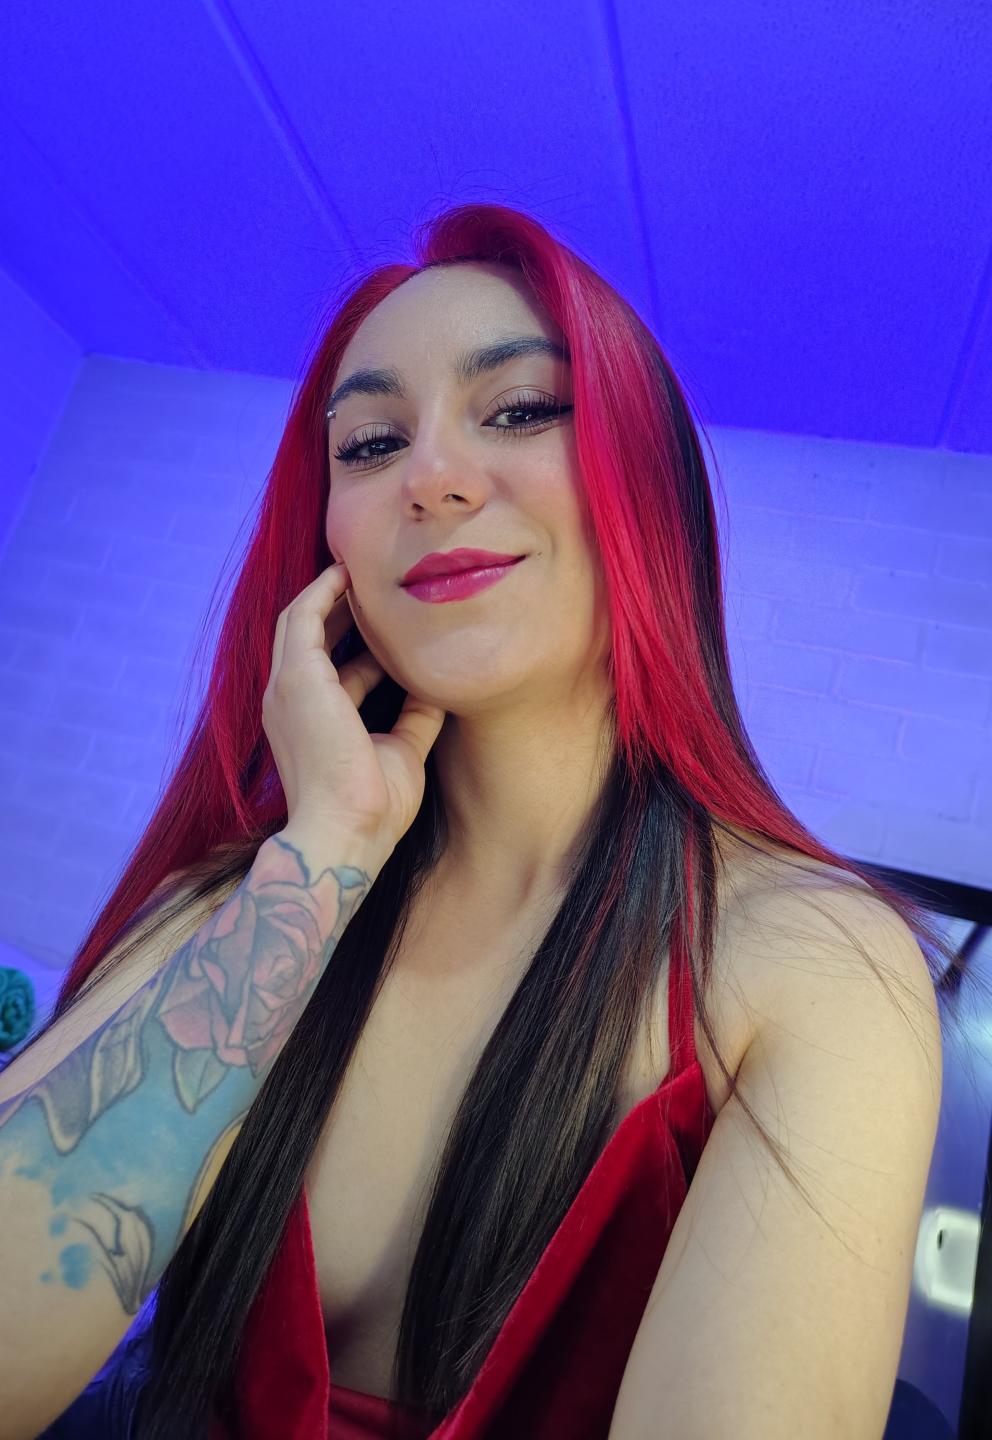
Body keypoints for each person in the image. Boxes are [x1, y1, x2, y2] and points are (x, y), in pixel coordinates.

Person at [0, 204, 952, 1440]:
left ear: (647, 485)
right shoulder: (234, 904)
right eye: (370, 442)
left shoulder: (813, 962)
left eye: (518, 410)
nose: (431, 477)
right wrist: (325, 848)